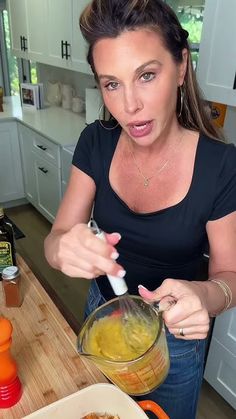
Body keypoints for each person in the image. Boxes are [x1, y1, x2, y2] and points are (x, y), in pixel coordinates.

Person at [44, 1, 236, 418]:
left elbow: (230, 276)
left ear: (181, 67)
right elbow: (55, 240)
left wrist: (205, 294)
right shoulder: (96, 141)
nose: (129, 106)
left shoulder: (221, 165)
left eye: (146, 75)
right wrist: (62, 248)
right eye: (112, 84)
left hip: (175, 334)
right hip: (104, 316)